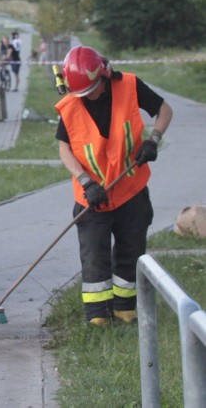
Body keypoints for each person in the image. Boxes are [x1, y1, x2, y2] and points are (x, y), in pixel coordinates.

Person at [55, 46, 173, 326]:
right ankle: (97, 316)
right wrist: (86, 182)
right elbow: (64, 148)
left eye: (90, 91)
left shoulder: (130, 86)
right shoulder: (72, 103)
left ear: (103, 77)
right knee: (94, 254)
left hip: (130, 191)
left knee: (131, 250)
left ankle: (125, 309)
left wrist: (152, 140)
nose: (86, 98)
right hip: (93, 196)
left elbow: (165, 110)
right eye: (80, 93)